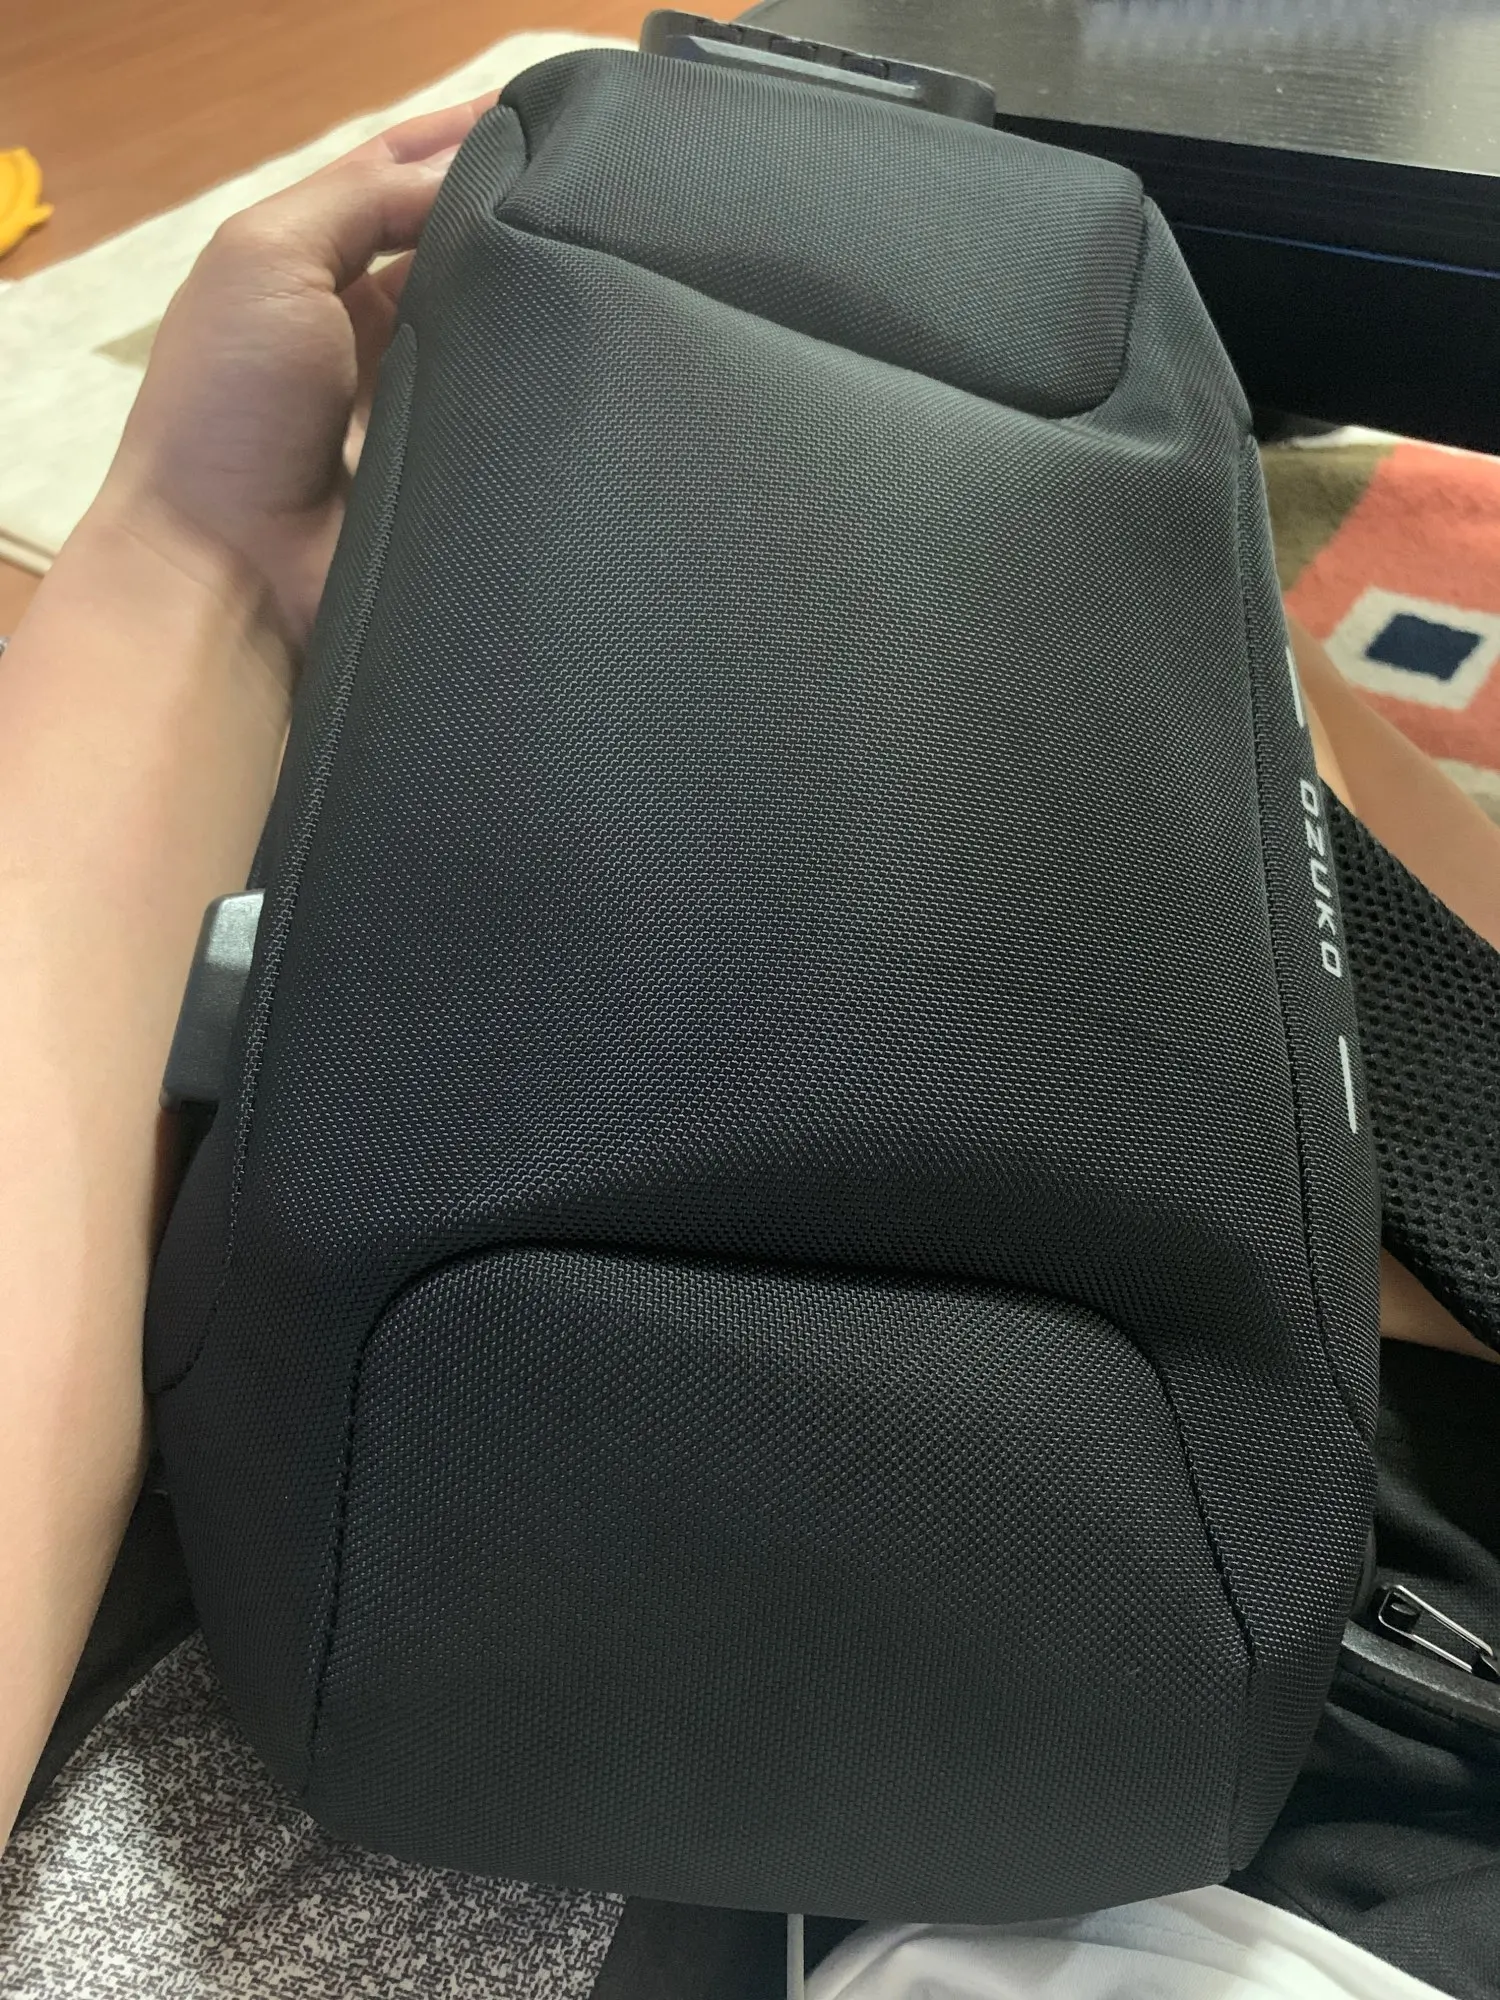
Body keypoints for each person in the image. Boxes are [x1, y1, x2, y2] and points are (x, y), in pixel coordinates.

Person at [0, 95, 1496, 2000]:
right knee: (1199, 708)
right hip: (1183, 1616)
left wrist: (187, 552)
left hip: (967, 1542)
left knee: (1190, 708)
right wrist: (189, 551)